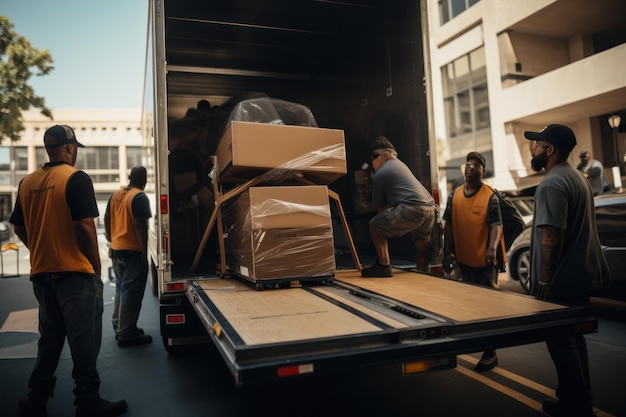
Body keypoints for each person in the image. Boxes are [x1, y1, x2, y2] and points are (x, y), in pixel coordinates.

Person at [10, 125, 127, 417]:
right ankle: (87, 400)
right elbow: (84, 226)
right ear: (71, 148)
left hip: (42, 276)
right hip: (76, 276)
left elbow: (20, 227)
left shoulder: (27, 183)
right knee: (83, 340)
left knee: (49, 340)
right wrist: (96, 267)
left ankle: (36, 398)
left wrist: (38, 248)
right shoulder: (75, 179)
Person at [525, 124, 609, 417]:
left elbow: (552, 236)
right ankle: (580, 399)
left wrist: (545, 281)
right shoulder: (577, 178)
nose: (533, 149)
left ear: (550, 150)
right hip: (581, 275)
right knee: (574, 338)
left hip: (562, 280)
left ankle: (576, 407)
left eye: (537, 144)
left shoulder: (551, 183)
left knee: (561, 342)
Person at [441, 151, 503, 372]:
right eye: (468, 163)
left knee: (487, 309)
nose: (470, 167)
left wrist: (491, 249)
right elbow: (448, 225)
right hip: (464, 260)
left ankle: (490, 353)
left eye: (476, 165)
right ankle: (477, 344)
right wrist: (446, 252)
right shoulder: (455, 195)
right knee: (469, 308)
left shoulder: (490, 196)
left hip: (485, 262)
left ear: (482, 171)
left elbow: (497, 225)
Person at [361, 136, 436, 277]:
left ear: (385, 156)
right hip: (430, 208)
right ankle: (422, 269)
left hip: (412, 209)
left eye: (374, 157)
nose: (372, 162)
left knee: (375, 225)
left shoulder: (380, 173)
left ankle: (383, 265)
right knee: (421, 243)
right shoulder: (401, 165)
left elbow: (380, 209)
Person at [104, 166, 153, 347]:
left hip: (117, 250)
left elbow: (107, 217)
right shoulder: (139, 197)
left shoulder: (116, 195)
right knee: (131, 292)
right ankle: (126, 332)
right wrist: (143, 252)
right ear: (144, 181)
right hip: (132, 251)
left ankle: (120, 324)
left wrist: (111, 239)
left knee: (120, 289)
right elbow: (141, 226)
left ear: (129, 177)